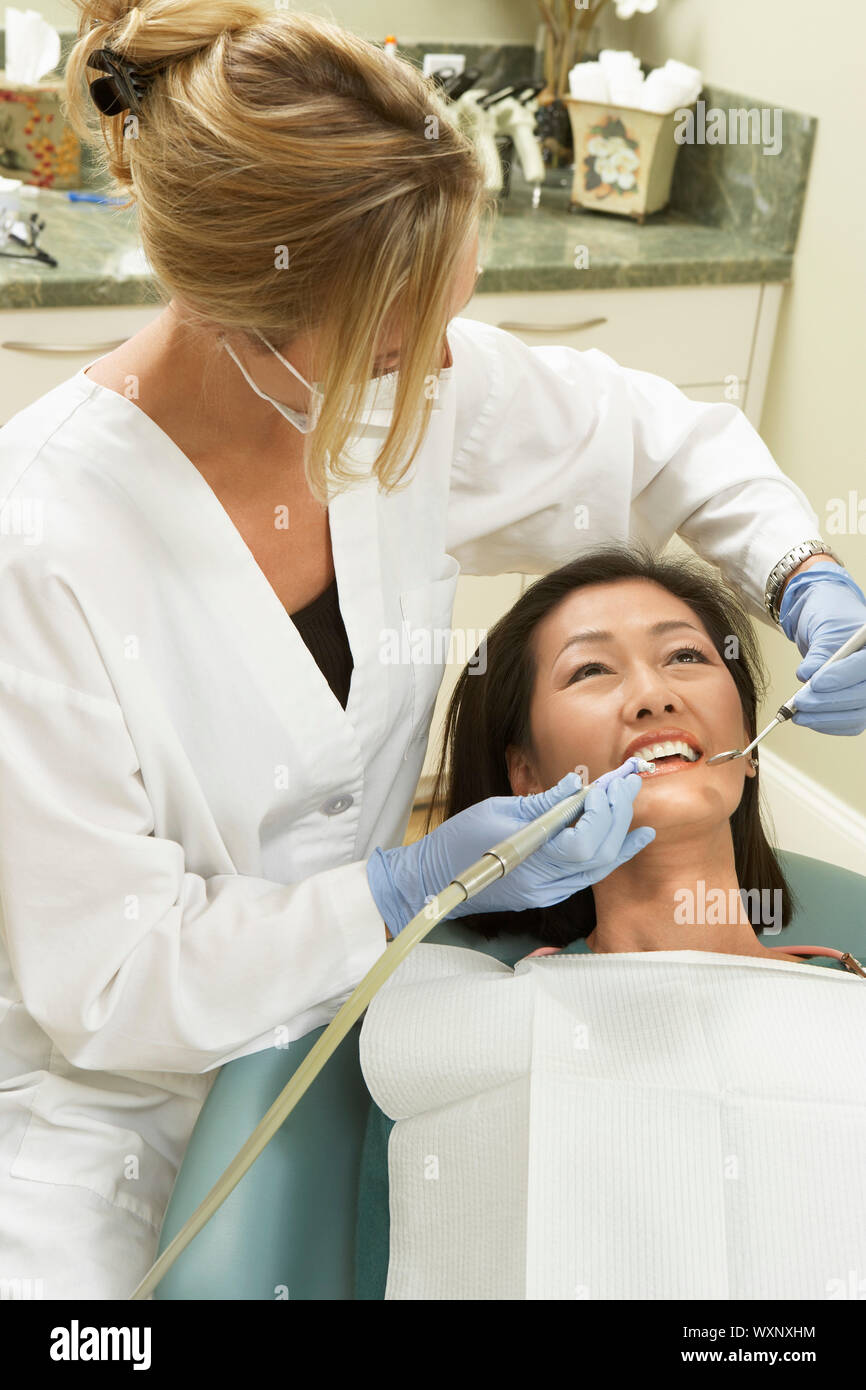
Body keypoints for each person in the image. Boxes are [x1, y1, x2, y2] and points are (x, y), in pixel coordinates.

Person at [0, 0, 863, 1299]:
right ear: (261, 327)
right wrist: (402, 889)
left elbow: (662, 443)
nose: (446, 363)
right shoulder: (43, 545)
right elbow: (114, 978)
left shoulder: (407, 390)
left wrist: (802, 571)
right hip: (112, 1101)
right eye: (407, 334)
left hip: (357, 1018)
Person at [356, 544, 866, 1300]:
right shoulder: (450, 1027)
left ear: (750, 747)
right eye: (591, 670)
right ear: (525, 774)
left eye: (687, 655)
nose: (653, 696)